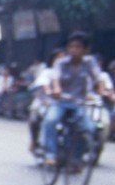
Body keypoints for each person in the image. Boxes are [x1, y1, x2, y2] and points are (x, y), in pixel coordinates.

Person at [40, 32, 111, 167]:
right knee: (50, 120)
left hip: (79, 103)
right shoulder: (61, 63)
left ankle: (76, 157)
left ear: (85, 49)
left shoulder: (89, 62)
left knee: (89, 128)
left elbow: (98, 78)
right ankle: (50, 154)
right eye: (71, 46)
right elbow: (56, 78)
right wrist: (56, 89)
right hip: (60, 102)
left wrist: (102, 91)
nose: (74, 50)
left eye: (78, 47)